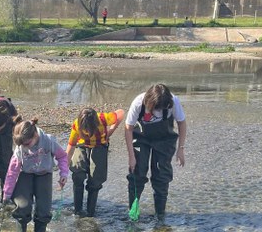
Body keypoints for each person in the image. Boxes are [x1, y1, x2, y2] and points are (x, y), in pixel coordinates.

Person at [2, 116, 69, 232]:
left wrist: (64, 173)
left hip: (44, 175)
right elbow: (12, 172)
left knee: (44, 209)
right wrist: (7, 193)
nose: (25, 147)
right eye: (22, 145)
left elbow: (62, 156)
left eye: (27, 144)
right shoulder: (20, 148)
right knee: (22, 206)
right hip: (25, 174)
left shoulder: (48, 141)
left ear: (34, 135)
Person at [124, 83, 186, 221]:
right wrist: (131, 156)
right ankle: (133, 212)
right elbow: (128, 128)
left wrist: (181, 149)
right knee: (137, 173)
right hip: (141, 138)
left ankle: (160, 216)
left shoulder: (173, 101)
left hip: (164, 139)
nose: (158, 112)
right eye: (156, 109)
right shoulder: (138, 103)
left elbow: (182, 123)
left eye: (161, 109)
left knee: (162, 176)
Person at [66, 107, 124, 217]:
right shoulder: (76, 124)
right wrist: (64, 166)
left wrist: (111, 131)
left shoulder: (103, 118)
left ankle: (90, 213)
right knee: (77, 173)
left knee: (95, 179)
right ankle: (77, 211)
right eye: (85, 130)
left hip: (99, 146)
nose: (87, 132)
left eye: (90, 129)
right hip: (81, 146)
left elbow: (121, 113)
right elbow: (71, 145)